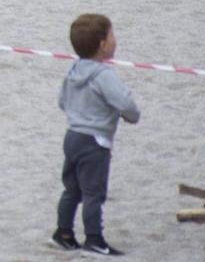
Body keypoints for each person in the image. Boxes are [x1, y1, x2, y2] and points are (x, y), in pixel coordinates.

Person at [52, 13, 141, 255]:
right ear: (102, 45)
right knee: (94, 193)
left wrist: (79, 115)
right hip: (95, 142)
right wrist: (129, 116)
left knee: (71, 189)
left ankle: (64, 232)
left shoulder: (74, 69)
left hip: (72, 136)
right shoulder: (104, 75)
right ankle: (94, 239)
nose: (115, 40)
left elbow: (62, 101)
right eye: (112, 35)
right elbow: (127, 105)